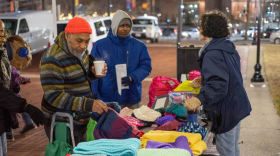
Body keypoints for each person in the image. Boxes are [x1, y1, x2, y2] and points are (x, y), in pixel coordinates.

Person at [184, 10, 252, 156]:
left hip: (227, 108)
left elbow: (219, 84)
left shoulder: (213, 52)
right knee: (232, 148)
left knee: (226, 150)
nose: (199, 29)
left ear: (209, 28)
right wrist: (205, 80)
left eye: (201, 26)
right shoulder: (225, 46)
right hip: (235, 105)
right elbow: (228, 73)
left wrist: (199, 99)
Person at [40, 17, 108, 144]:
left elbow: (81, 75)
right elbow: (55, 97)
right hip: (62, 121)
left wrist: (93, 74)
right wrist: (88, 104)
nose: (83, 46)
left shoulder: (79, 50)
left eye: (87, 41)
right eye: (79, 41)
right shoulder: (53, 58)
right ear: (67, 36)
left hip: (80, 115)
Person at [0, 19, 45, 156]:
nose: (3, 36)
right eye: (0, 32)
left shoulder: (2, 55)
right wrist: (25, 107)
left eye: (3, 31)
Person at [91, 10, 152, 109]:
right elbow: (92, 70)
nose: (125, 29)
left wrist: (132, 78)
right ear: (115, 25)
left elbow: (146, 66)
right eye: (122, 26)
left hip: (131, 96)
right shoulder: (100, 45)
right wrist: (94, 93)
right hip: (107, 96)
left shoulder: (139, 46)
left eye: (128, 26)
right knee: (108, 124)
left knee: (131, 123)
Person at [4, 35, 37, 141]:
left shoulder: (4, 46)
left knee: (9, 106)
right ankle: (28, 123)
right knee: (16, 102)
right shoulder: (9, 41)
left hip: (9, 83)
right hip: (13, 81)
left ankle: (9, 132)